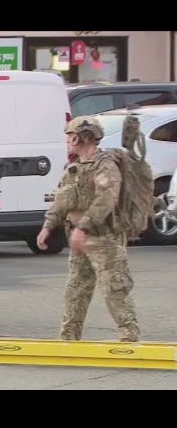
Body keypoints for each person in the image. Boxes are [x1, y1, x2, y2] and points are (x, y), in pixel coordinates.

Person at [36, 116, 140, 342]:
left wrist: (83, 228)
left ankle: (129, 337)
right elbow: (62, 200)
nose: (67, 140)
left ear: (83, 137)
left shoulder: (106, 165)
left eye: (71, 136)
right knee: (76, 291)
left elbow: (106, 199)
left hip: (104, 239)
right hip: (79, 239)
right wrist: (48, 225)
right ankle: (69, 339)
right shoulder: (73, 167)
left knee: (115, 289)